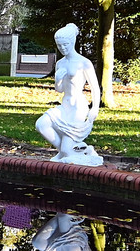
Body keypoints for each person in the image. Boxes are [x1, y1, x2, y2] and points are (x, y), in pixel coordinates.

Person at [34, 23, 103, 166]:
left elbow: (95, 88)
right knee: (41, 124)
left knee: (66, 149)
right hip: (65, 105)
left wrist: (94, 108)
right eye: (59, 46)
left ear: (73, 42)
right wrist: (58, 79)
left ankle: (70, 152)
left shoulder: (84, 63)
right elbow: (59, 90)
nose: (63, 48)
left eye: (65, 45)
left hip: (78, 107)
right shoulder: (60, 63)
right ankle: (79, 150)